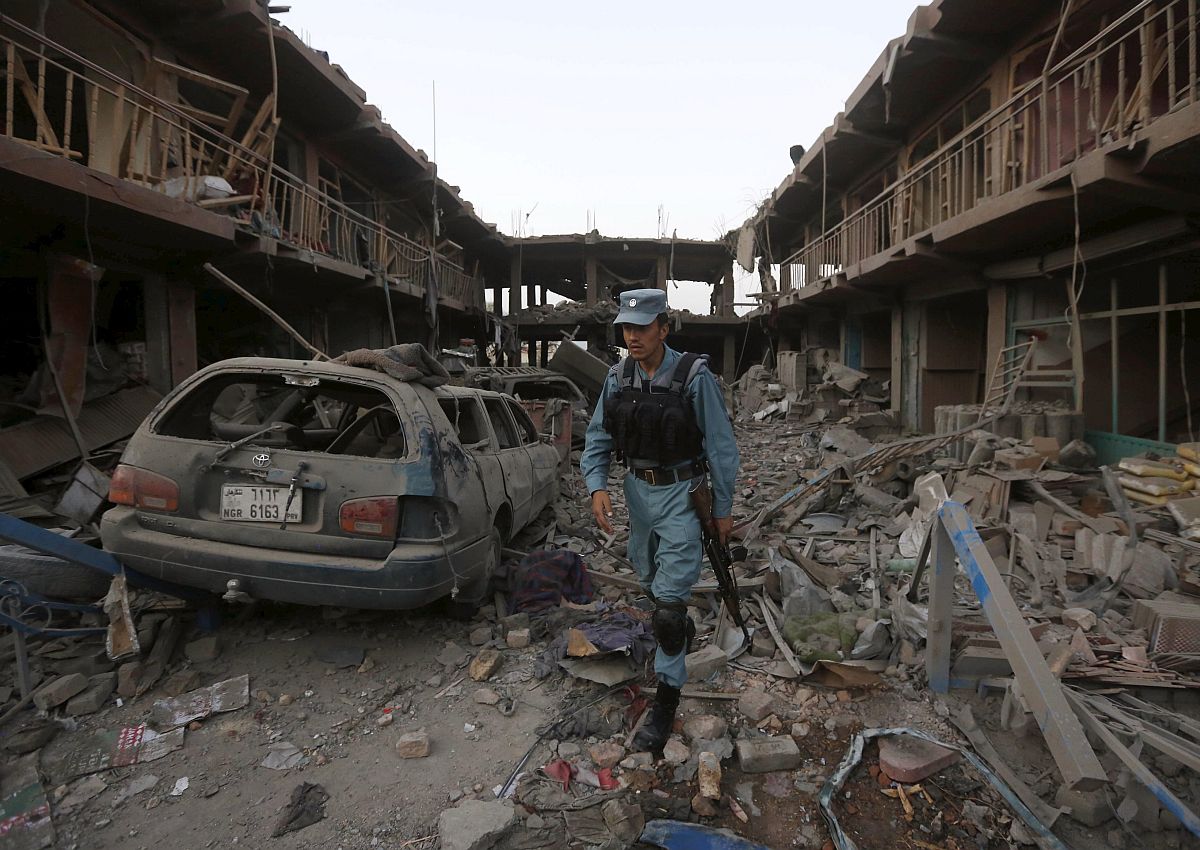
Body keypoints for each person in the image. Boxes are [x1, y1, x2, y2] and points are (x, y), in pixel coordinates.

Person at [580, 288, 739, 754]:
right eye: (626, 328)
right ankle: (678, 629)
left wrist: (723, 508)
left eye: (642, 328)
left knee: (667, 609)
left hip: (682, 495)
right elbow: (598, 436)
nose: (633, 337)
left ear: (663, 329)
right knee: (650, 582)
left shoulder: (693, 377)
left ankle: (665, 703)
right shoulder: (618, 377)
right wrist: (596, 486)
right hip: (637, 494)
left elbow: (721, 446)